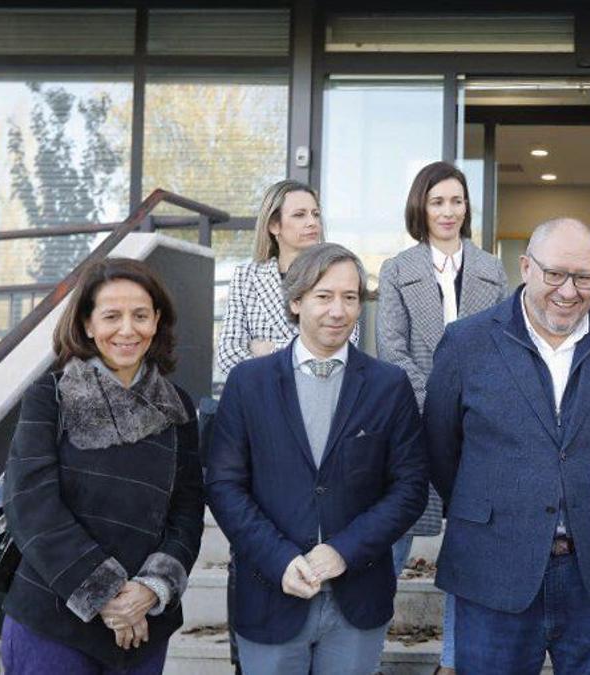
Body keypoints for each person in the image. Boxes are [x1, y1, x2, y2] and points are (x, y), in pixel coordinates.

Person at [424, 218, 590, 674]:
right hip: (492, 569)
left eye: (584, 277)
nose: (569, 291)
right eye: (555, 275)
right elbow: (440, 448)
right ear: (526, 267)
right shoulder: (466, 343)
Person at [207, 243, 428, 675]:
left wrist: (345, 550)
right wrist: (278, 559)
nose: (338, 310)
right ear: (296, 301)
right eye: (323, 296)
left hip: (357, 598)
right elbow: (224, 485)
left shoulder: (389, 385)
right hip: (272, 593)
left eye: (350, 297)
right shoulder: (248, 383)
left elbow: (410, 488)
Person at [2, 258, 204, 674]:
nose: (127, 330)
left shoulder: (178, 405)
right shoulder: (50, 396)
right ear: (88, 325)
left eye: (140, 316)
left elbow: (187, 510)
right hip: (53, 619)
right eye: (112, 316)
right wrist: (107, 594)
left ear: (157, 321)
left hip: (144, 623)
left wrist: (149, 590)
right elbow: (30, 504)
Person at [377, 161, 508, 675]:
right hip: (412, 423)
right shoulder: (396, 269)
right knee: (392, 537)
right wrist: (437, 401)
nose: (448, 211)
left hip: (477, 429)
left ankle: (454, 661)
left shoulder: (491, 269)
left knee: (468, 551)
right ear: (421, 208)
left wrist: (467, 404)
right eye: (438, 202)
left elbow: (501, 351)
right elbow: (392, 349)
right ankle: (364, 641)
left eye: (456, 201)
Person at [218, 179, 357, 378]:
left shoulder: (338, 273)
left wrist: (267, 349)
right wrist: (299, 354)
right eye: (300, 215)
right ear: (275, 225)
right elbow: (227, 354)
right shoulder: (247, 277)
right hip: (262, 398)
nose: (312, 222)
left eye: (315, 214)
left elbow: (345, 347)